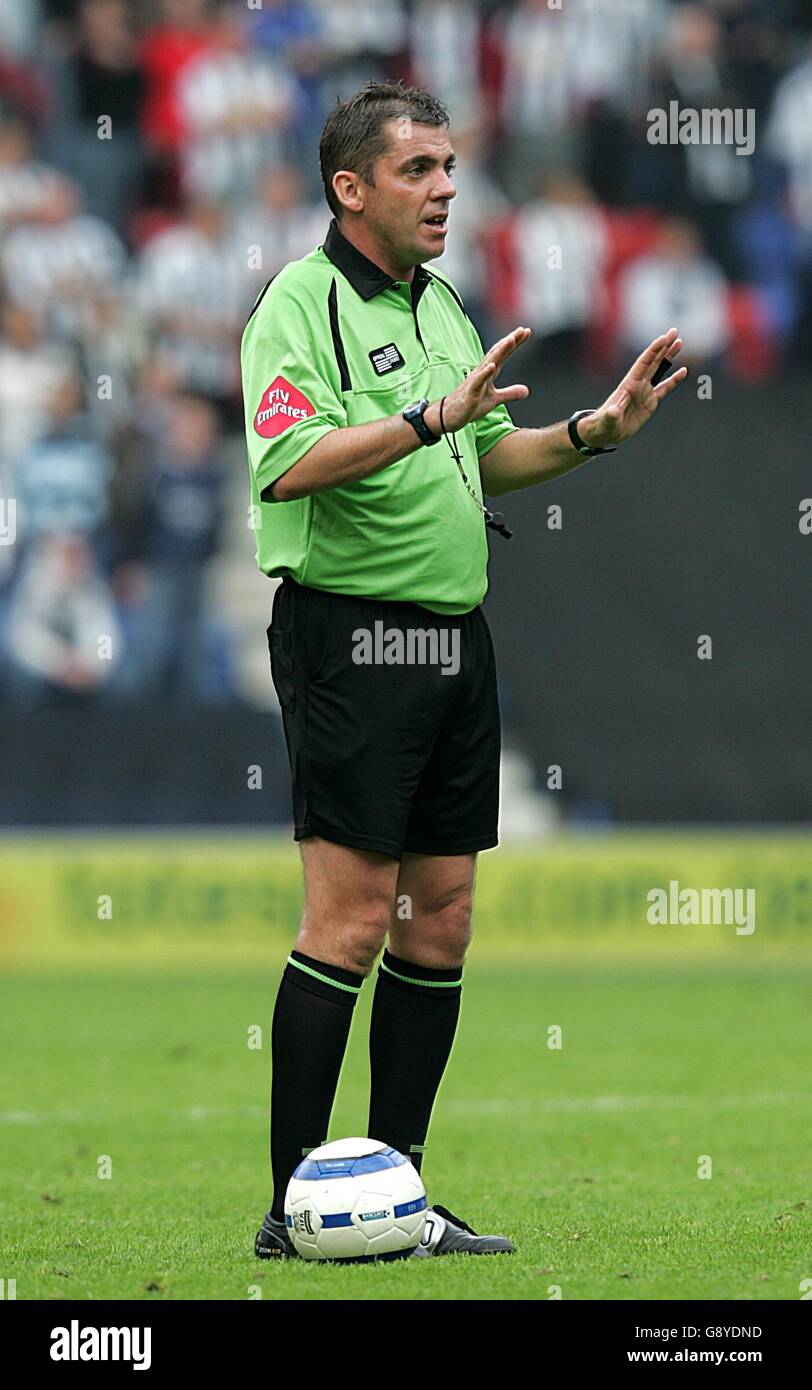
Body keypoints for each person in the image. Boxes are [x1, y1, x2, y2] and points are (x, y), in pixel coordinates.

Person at [241, 79, 687, 1260]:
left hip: (452, 638)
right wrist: (429, 417)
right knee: (345, 922)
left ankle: (395, 1194)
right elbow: (288, 464)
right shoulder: (300, 302)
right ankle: (292, 1206)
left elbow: (487, 457)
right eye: (418, 171)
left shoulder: (438, 301)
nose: (445, 189)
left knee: (436, 922)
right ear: (351, 187)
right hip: (352, 637)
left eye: (449, 166)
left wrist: (592, 432)